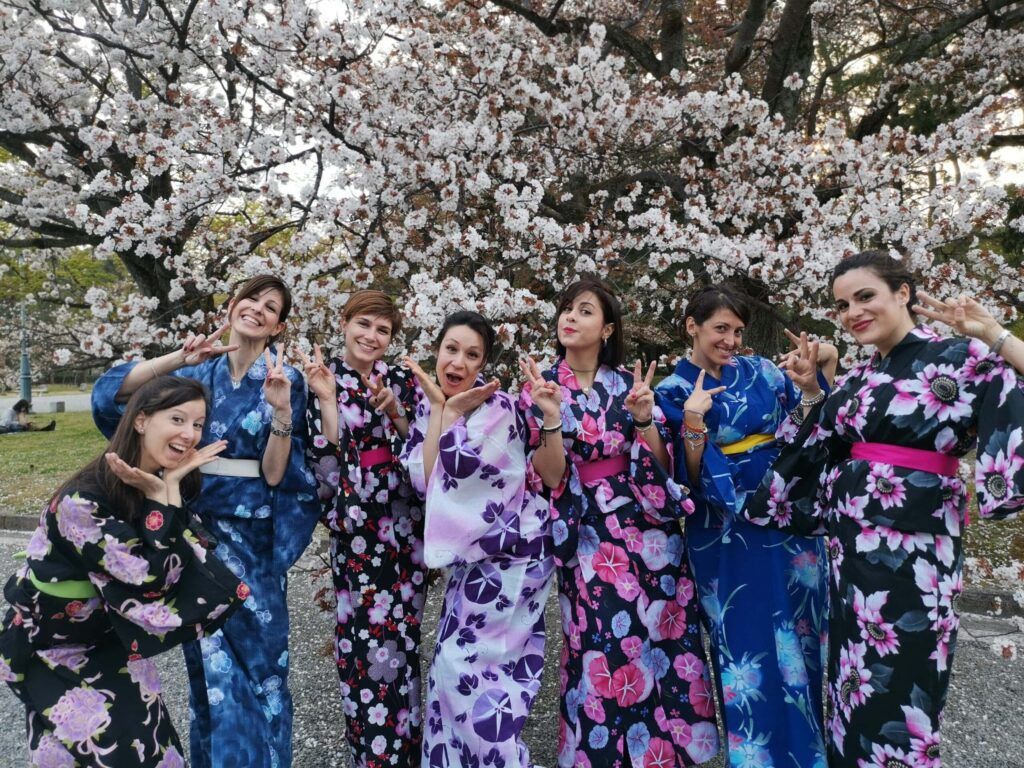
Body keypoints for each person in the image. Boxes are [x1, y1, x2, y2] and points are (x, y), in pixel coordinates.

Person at [745, 250, 1024, 767]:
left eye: (865, 296)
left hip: (915, 549)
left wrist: (995, 334)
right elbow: (825, 442)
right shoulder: (858, 377)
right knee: (852, 681)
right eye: (842, 304)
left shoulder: (962, 355)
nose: (853, 312)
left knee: (904, 678)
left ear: (904, 294)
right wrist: (815, 391)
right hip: (851, 552)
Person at [91, 274, 319, 768]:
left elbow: (278, 474)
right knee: (211, 671)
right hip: (196, 536)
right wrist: (179, 359)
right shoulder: (200, 376)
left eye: (270, 307)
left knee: (262, 669)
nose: (256, 309)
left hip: (254, 542)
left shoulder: (288, 380)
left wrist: (281, 412)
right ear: (232, 305)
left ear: (279, 326)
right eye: (249, 299)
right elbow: (115, 402)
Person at [519, 278, 720, 767]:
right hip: (587, 530)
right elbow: (550, 474)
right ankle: (600, 754)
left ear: (607, 328)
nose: (570, 316)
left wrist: (646, 419)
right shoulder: (542, 384)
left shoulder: (623, 384)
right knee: (599, 642)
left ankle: (663, 753)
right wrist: (549, 416)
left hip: (647, 529)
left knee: (663, 634)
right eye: (566, 308)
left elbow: (658, 463)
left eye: (584, 311)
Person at [0, 376, 245, 768]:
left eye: (198, 424)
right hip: (54, 648)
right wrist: (163, 496)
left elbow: (174, 564)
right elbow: (149, 578)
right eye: (178, 419)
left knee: (154, 751)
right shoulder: (83, 500)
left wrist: (168, 490)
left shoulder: (155, 481)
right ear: (141, 420)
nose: (190, 434)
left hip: (109, 636)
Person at [653, 285, 833, 768]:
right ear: (692, 325)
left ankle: (814, 754)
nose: (731, 340)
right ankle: (756, 758)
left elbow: (811, 422)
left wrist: (815, 375)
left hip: (789, 519)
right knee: (746, 643)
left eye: (737, 330)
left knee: (804, 637)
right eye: (720, 329)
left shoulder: (762, 371)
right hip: (728, 530)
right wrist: (693, 424)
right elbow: (687, 478)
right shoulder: (671, 391)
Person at [400, 310, 555, 767]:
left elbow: (483, 480)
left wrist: (449, 419)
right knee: (452, 671)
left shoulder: (498, 407)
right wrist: (444, 415)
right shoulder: (432, 404)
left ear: (483, 363)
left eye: (472, 355)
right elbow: (427, 481)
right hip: (474, 561)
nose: (459, 362)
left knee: (473, 674)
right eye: (452, 349)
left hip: (514, 557)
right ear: (438, 350)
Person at [300, 290, 426, 768]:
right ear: (345, 322)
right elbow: (326, 463)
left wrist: (395, 410)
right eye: (364, 324)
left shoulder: (398, 378)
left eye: (383, 330)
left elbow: (419, 444)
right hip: (359, 526)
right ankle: (375, 753)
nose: (372, 337)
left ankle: (406, 749)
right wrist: (328, 399)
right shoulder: (322, 378)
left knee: (406, 637)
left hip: (404, 524)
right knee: (367, 641)